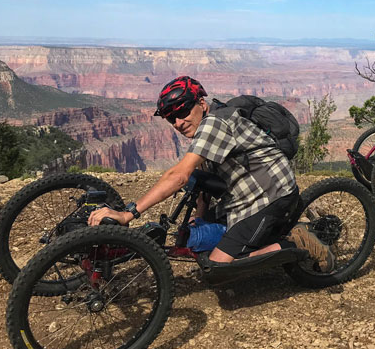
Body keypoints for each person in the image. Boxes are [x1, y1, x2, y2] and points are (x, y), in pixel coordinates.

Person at [88, 76, 334, 271]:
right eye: (170, 118)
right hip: (242, 198)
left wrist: (127, 213)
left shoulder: (215, 123)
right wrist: (200, 217)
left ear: (201, 104)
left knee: (216, 266)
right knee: (197, 238)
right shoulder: (203, 125)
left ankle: (300, 240)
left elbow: (178, 177)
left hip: (271, 196)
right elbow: (200, 179)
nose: (177, 122)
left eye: (182, 111)